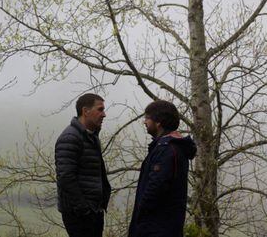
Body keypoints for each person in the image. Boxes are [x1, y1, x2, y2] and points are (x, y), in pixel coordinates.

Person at [128, 100, 197, 237]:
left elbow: (155, 188)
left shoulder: (167, 150)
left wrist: (141, 216)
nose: (144, 122)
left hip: (156, 229)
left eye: (147, 118)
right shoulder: (170, 147)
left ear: (158, 122)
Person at [55, 93, 111, 237]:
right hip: (80, 214)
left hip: (93, 210)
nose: (104, 114)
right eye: (100, 109)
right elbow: (66, 178)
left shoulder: (91, 137)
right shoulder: (71, 137)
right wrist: (84, 208)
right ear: (85, 111)